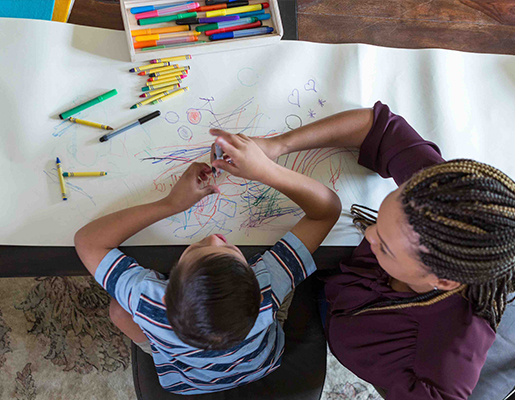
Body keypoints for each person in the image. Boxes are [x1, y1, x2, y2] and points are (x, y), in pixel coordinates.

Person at [249, 101, 515, 399]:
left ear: (443, 281)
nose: (368, 233)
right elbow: (377, 126)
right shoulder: (433, 203)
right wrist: (278, 145)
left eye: (385, 245)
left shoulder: (446, 362)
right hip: (339, 289)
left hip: (339, 318)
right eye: (379, 220)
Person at [74, 129, 341, 394]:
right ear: (257, 288)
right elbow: (326, 211)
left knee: (119, 311)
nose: (214, 237)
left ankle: (158, 347)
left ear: (164, 290)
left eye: (198, 249)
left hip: (184, 381)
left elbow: (88, 241)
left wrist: (171, 204)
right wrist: (264, 171)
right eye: (228, 250)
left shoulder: (148, 301)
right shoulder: (267, 287)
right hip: (261, 363)